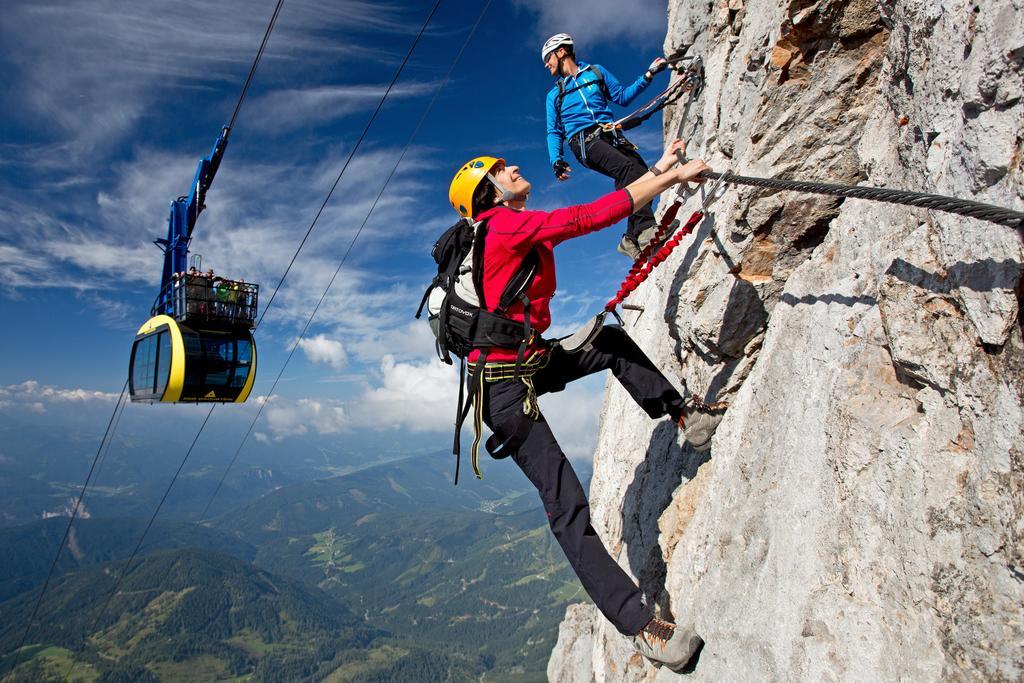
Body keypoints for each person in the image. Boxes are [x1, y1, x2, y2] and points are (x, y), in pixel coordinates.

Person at [446, 139, 726, 671]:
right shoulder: (504, 226)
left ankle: (687, 417)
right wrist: (669, 180)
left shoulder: (501, 229)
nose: (516, 168)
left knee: (609, 343)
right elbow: (587, 217)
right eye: (504, 169)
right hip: (505, 388)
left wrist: (661, 167)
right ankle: (641, 626)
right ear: (491, 191)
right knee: (567, 505)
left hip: (522, 363)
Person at [542, 33, 669, 259]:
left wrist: (648, 75)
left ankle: (631, 238)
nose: (546, 64)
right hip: (583, 141)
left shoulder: (596, 72)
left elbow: (621, 96)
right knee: (626, 170)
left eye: (548, 57)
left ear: (561, 52)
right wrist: (556, 159)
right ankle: (647, 230)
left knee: (642, 174)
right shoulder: (554, 95)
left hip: (609, 135)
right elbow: (554, 131)